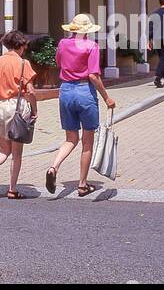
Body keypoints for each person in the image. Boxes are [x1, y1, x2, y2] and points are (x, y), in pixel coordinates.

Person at [46, 13, 116, 198]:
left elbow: (59, 63)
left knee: (70, 139)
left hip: (66, 91)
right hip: (85, 91)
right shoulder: (92, 46)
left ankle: (54, 167)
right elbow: (93, 75)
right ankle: (82, 184)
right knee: (87, 142)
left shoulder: (62, 44)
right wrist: (107, 97)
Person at [0, 30, 38, 199]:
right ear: (20, 45)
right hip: (16, 106)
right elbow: (30, 91)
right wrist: (34, 110)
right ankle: (12, 189)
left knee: (3, 149)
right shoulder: (23, 63)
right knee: (16, 153)